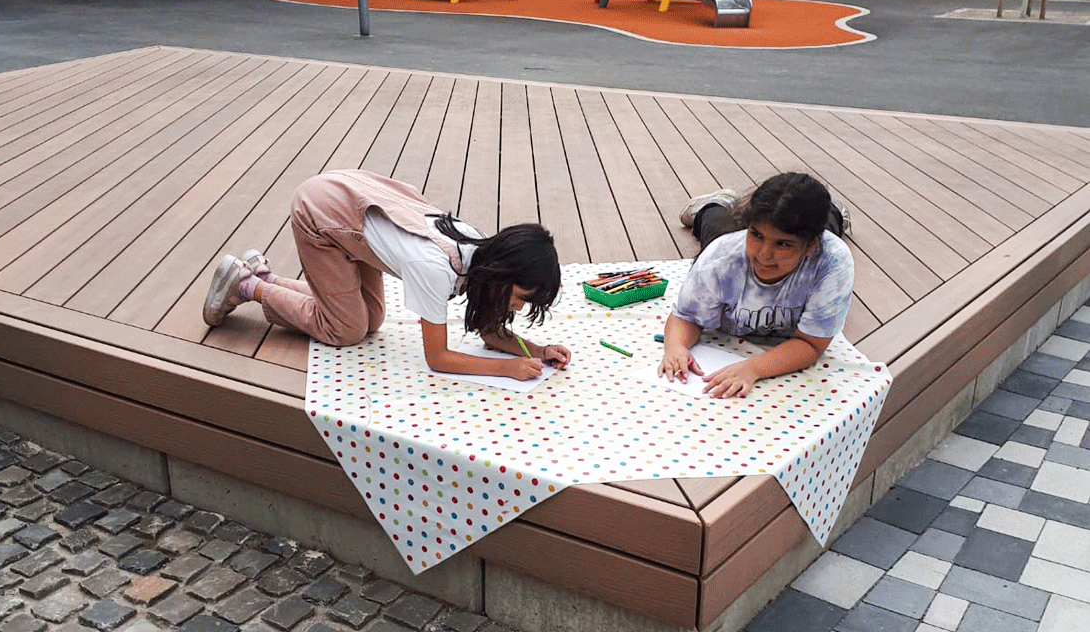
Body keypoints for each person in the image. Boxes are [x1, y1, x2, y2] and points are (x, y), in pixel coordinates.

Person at [203, 169, 571, 381]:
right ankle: (247, 286)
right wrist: (507, 370)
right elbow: (438, 358)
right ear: (503, 275)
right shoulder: (437, 269)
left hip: (352, 211)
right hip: (321, 214)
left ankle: (269, 279)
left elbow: (489, 332)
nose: (519, 309)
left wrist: (537, 351)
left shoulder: (479, 252)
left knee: (372, 320)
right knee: (345, 330)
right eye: (522, 298)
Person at [659, 172, 854, 398]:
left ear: (812, 245)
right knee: (716, 226)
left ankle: (834, 211)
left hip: (818, 241)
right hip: (727, 240)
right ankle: (713, 204)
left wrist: (753, 368)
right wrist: (675, 347)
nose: (764, 255)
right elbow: (686, 317)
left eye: (783, 244)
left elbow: (811, 345)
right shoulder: (722, 257)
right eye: (756, 234)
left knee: (830, 225)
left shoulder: (832, 262)